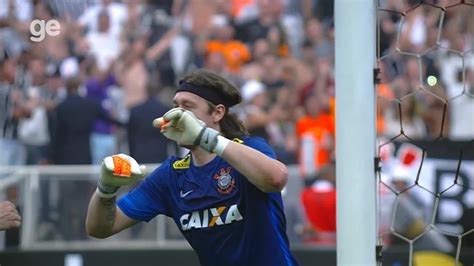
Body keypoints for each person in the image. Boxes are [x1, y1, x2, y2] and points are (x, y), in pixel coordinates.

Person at [86, 70, 299, 266]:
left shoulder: (250, 149)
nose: (177, 115)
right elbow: (101, 228)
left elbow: (276, 178)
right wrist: (105, 190)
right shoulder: (171, 175)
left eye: (188, 107)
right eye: (175, 106)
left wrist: (205, 137)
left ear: (217, 113)